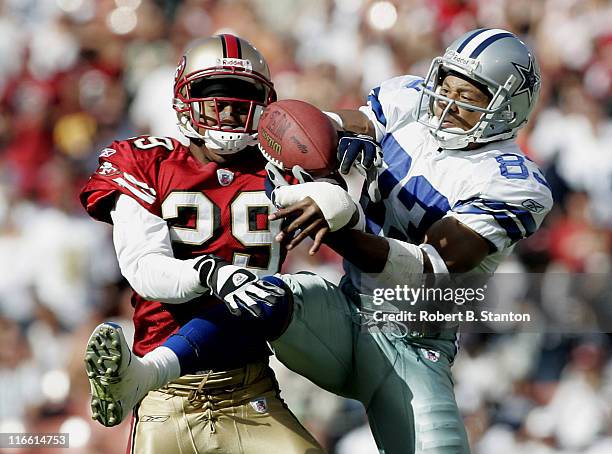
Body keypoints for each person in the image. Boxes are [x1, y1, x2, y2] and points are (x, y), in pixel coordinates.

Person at [89, 28, 553, 453]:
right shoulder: (408, 98)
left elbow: (426, 269)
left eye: (467, 97)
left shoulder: (512, 184)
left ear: (507, 110)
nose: (446, 103)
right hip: (342, 311)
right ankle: (145, 374)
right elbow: (317, 128)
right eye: (446, 85)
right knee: (260, 291)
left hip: (413, 339)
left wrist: (340, 225)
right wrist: (331, 138)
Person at [80, 34, 324, 453]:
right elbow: (144, 269)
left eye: (241, 99)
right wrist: (211, 272)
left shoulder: (287, 167)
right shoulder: (147, 162)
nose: (228, 111)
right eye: (214, 99)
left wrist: (340, 198)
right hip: (166, 396)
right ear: (184, 99)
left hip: (253, 389)